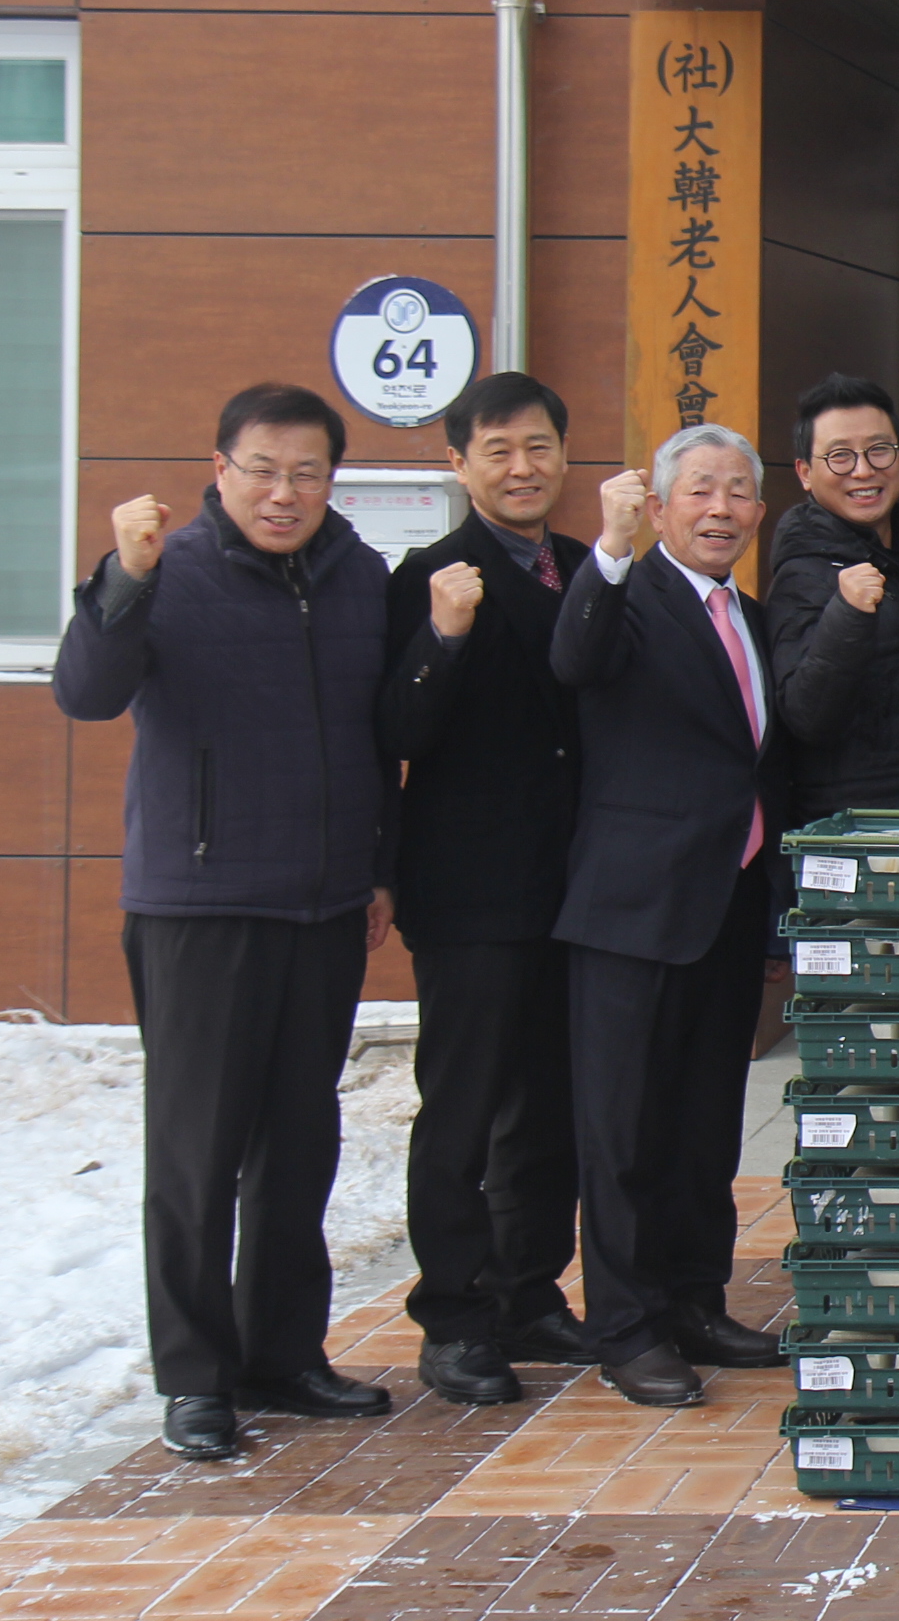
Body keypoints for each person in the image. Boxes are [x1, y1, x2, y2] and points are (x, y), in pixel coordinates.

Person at [52, 382, 397, 1463]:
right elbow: (85, 692)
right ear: (220, 469)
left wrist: (378, 867)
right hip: (199, 905)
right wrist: (126, 580)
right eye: (262, 469)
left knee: (300, 1145)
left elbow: (376, 736)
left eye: (307, 472)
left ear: (333, 480)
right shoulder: (168, 572)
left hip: (325, 901)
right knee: (197, 1155)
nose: (284, 492)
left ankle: (281, 1354)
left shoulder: (360, 578)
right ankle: (195, 1379)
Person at [551, 426, 793, 1409]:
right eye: (699, 491)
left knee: (704, 1125)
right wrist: (606, 555)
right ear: (658, 508)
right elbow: (575, 657)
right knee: (623, 1129)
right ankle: (627, 1325)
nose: (721, 508)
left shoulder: (752, 615)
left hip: (727, 903)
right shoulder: (627, 599)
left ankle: (696, 1301)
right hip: (632, 909)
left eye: (739, 491)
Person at [376, 372, 598, 1409]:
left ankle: (528, 1290)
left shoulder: (589, 569)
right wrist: (445, 638)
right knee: (462, 1109)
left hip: (574, 885)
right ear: (457, 464)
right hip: (471, 891)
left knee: (548, 1106)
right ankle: (454, 1314)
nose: (523, 468)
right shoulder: (429, 577)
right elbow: (399, 734)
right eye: (499, 451)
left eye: (540, 447)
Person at [766, 373, 899, 824]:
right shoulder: (802, 572)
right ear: (804, 472)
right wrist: (847, 615)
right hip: (861, 834)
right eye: (840, 456)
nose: (863, 470)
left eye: (879, 450)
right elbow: (806, 714)